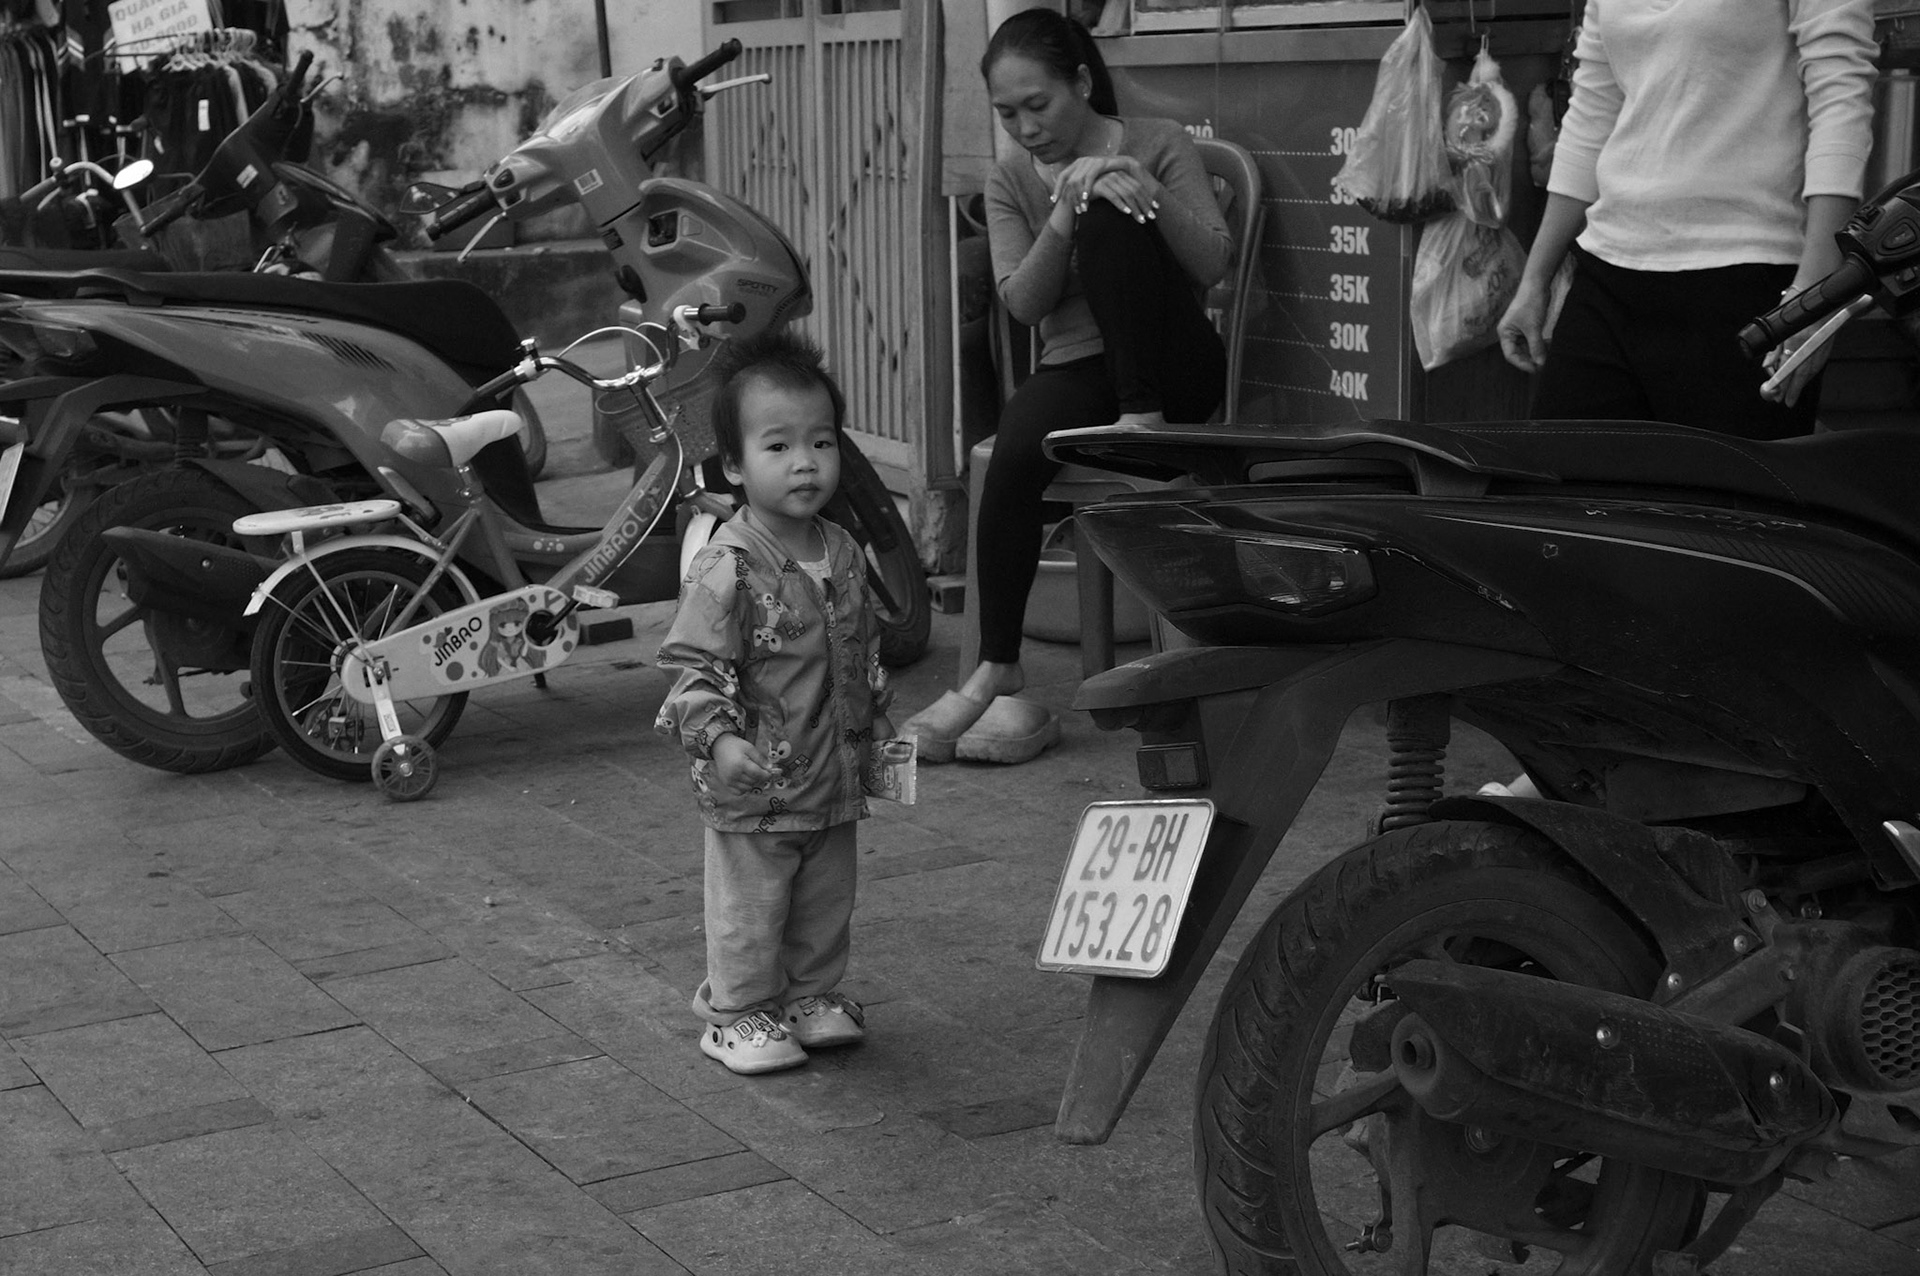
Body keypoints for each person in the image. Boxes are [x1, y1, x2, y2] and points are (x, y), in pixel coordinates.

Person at [904, 7, 1230, 764]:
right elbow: (1022, 303)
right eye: (1006, 113)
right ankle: (997, 663)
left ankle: (1142, 419)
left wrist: (1136, 185)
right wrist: (1061, 212)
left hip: (1174, 367)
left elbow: (1215, 261)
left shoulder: (1158, 142)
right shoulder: (1009, 179)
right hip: (1081, 369)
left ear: (1081, 82)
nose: (1025, 128)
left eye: (1038, 104)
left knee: (1111, 206)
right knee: (1016, 449)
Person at [655, 329, 895, 1076]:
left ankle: (808, 996)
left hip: (833, 773)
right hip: (755, 780)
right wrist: (720, 740)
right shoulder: (727, 564)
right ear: (734, 464)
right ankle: (736, 1013)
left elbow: (861, 648)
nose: (805, 463)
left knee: (826, 899)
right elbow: (692, 667)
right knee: (750, 907)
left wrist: (879, 722)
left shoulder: (843, 549)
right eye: (779, 446)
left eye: (821, 442)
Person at [1496, 0, 1877, 437]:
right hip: (1607, 276)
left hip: (1747, 286)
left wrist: (1815, 294)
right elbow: (1592, 113)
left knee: (1731, 482)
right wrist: (1535, 281)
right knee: (1564, 472)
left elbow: (1840, 102)